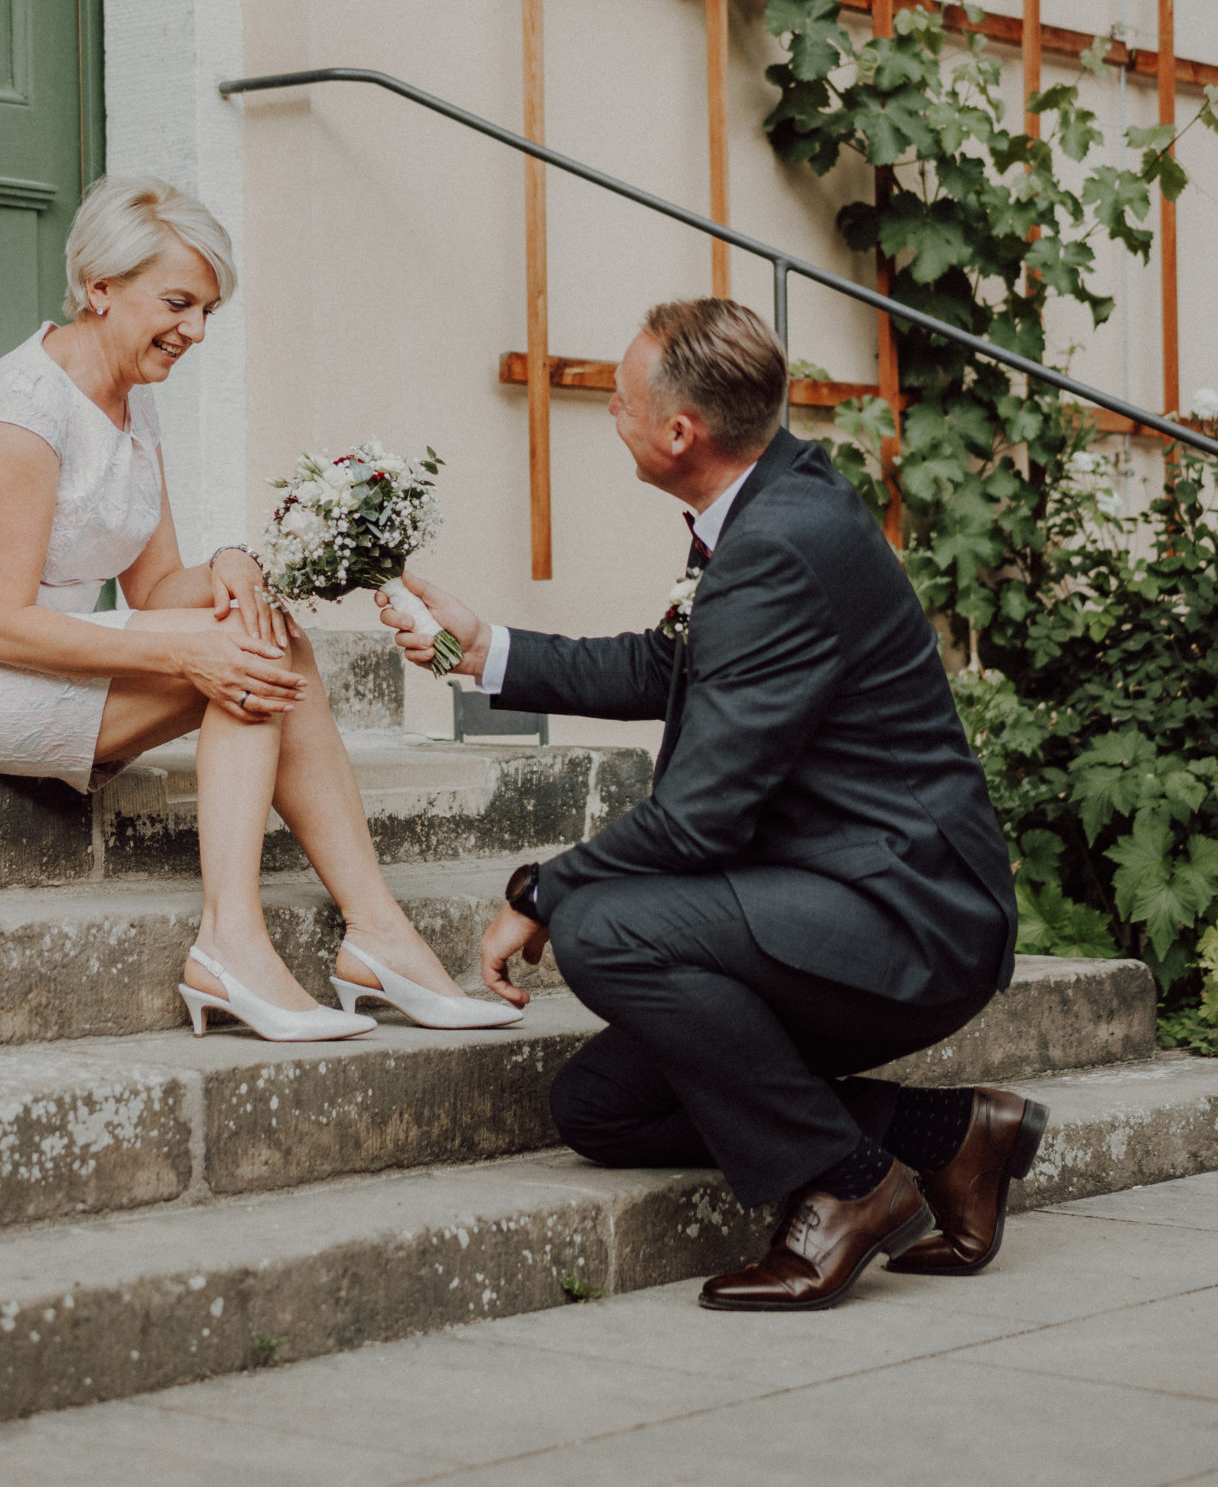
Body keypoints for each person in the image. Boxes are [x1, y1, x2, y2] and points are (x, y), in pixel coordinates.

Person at [381, 297, 1045, 1310]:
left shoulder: (777, 540)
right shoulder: (771, 500)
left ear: (680, 432)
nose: (609, 414)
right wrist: (484, 651)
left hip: (907, 913)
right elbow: (675, 665)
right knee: (600, 1107)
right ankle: (949, 1138)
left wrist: (542, 888)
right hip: (844, 888)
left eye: (617, 400)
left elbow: (699, 821)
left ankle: (848, 1187)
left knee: (603, 928)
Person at [0, 175, 517, 1042]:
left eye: (207, 309)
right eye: (178, 302)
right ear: (100, 287)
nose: (196, 330)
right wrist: (185, 653)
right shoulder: (21, 411)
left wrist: (235, 565)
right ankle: (244, 941)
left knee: (260, 633)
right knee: (240, 655)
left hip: (22, 652)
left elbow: (159, 590)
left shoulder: (133, 403)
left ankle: (372, 931)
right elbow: (0, 623)